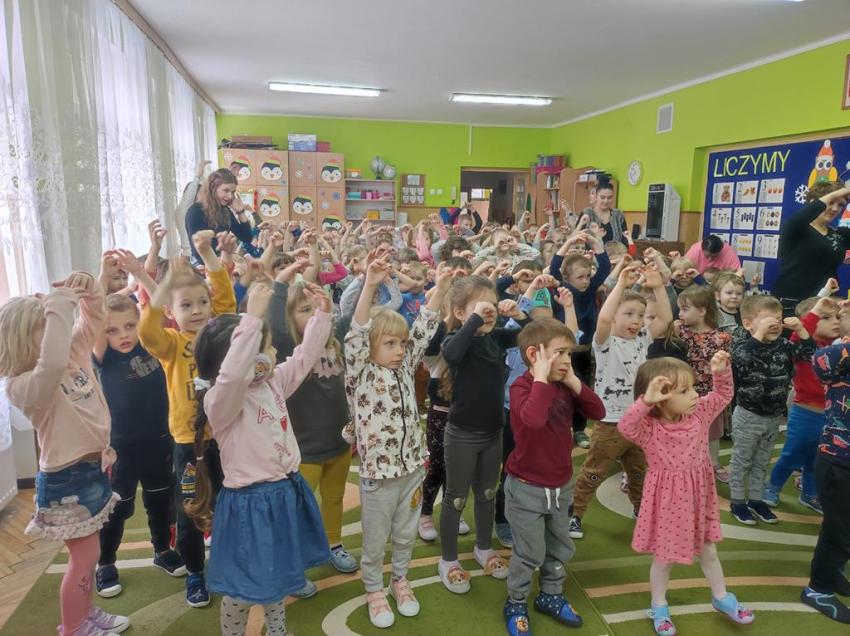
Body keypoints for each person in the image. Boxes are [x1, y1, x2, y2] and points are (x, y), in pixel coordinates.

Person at [185, 283, 331, 636]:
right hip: (250, 506)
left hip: (283, 493)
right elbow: (234, 375)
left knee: (276, 575)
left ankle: (277, 631)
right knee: (242, 590)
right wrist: (251, 320)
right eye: (264, 347)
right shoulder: (221, 400)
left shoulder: (271, 383)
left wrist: (322, 315)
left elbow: (304, 358)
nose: (274, 351)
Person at [0, 274, 131, 636]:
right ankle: (74, 626)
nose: (56, 332)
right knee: (84, 559)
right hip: (67, 480)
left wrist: (90, 291)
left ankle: (84, 612)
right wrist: (58, 306)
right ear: (20, 341)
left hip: (93, 469)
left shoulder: (72, 356)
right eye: (44, 328)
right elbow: (51, 363)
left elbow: (93, 319)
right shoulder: (24, 386)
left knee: (89, 556)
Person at [344, 258, 452, 629]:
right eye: (389, 343)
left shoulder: (405, 367)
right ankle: (374, 589)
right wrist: (370, 285)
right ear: (369, 346)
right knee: (375, 540)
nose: (400, 350)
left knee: (405, 535)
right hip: (379, 476)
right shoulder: (360, 372)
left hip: (411, 472)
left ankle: (400, 580)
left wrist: (441, 287)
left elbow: (424, 327)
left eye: (401, 344)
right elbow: (356, 332)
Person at [620, 353, 755, 635]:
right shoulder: (650, 428)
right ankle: (659, 606)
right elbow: (626, 426)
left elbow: (723, 395)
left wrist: (721, 371)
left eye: (693, 387)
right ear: (661, 399)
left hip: (698, 496)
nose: (695, 395)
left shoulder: (699, 414)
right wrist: (645, 401)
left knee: (708, 549)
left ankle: (721, 597)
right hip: (667, 502)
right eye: (684, 391)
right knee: (663, 558)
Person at [138, 230, 237, 607]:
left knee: (229, 501)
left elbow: (225, 299)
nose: (196, 311)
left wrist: (207, 253)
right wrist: (164, 287)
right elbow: (148, 330)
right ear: (171, 312)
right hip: (187, 443)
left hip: (224, 437)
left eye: (201, 303)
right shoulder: (172, 344)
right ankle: (195, 571)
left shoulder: (217, 335)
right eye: (186, 305)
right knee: (190, 507)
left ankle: (226, 561)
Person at [503, 318, 605, 635]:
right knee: (529, 551)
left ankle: (551, 593)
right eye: (559, 353)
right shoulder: (521, 388)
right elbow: (533, 420)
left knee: (560, 546)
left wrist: (573, 381)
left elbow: (598, 411)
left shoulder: (564, 385)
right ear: (534, 354)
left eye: (569, 354)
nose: (566, 360)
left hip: (561, 486)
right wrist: (541, 380)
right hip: (526, 488)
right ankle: (516, 601)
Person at [93, 262, 185, 598]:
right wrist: (103, 277)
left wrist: (144, 273)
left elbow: (158, 305)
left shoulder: (152, 345)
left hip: (159, 440)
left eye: (130, 326)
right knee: (117, 509)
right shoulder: (104, 357)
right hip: (121, 448)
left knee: (161, 502)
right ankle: (105, 562)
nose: (124, 335)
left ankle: (162, 550)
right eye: (112, 330)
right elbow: (92, 315)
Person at [267, 264, 359, 583]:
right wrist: (280, 284)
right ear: (289, 319)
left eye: (313, 308)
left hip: (338, 443)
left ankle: (334, 544)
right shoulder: (288, 352)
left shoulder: (335, 343)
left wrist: (326, 308)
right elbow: (274, 322)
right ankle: (293, 562)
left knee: (334, 499)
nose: (311, 314)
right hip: (304, 450)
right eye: (303, 310)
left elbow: (353, 311)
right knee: (297, 511)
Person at [438, 275, 528, 594]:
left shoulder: (496, 338)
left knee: (488, 493)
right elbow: (451, 355)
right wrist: (475, 319)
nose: (489, 311)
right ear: (460, 312)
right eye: (480, 306)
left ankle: (483, 547)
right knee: (456, 497)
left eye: (492, 304)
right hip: (462, 434)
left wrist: (518, 314)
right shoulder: (456, 339)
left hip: (493, 431)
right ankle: (449, 560)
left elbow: (533, 336)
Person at [569, 264, 672, 540]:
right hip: (610, 423)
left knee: (639, 473)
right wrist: (621, 285)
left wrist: (659, 287)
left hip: (640, 422)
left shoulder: (643, 339)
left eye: (640, 315)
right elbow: (603, 319)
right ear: (614, 316)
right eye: (628, 314)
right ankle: (575, 514)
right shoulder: (605, 343)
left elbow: (665, 318)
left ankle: (641, 510)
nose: (636, 320)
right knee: (594, 472)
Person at [728, 295, 815, 526]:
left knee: (762, 461)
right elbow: (740, 359)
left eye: (778, 318)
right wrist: (758, 335)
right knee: (742, 461)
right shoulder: (743, 344)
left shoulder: (784, 346)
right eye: (767, 319)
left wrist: (802, 330)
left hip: (773, 417)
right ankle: (738, 502)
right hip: (748, 416)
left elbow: (810, 355)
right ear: (748, 324)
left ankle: (756, 500)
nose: (774, 323)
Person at [764, 297, 841, 513]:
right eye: (826, 318)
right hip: (805, 412)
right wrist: (815, 313)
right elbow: (800, 333)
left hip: (831, 415)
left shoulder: (838, 346)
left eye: (838, 317)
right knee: (792, 454)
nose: (835, 321)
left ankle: (810, 494)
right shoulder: (801, 346)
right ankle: (772, 486)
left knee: (817, 459)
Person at [802, 338, 850, 624]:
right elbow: (821, 360)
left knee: (843, 528)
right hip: (838, 460)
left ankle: (832, 574)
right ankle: (818, 589)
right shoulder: (839, 355)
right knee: (839, 532)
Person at [675, 286, 732, 482]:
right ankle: (684, 463)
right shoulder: (681, 332)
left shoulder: (722, 338)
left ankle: (714, 463)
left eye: (685, 309)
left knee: (712, 433)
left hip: (710, 395)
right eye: (679, 309)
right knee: (683, 432)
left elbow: (725, 368)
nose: (680, 314)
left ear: (701, 311)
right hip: (684, 395)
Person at [772, 182, 850, 316]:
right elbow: (805, 214)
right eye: (831, 202)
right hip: (793, 304)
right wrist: (843, 191)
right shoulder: (796, 227)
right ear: (813, 202)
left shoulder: (839, 234)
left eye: (840, 205)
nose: (835, 209)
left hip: (826, 303)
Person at [185, 168, 259, 264]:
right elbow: (198, 254)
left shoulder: (225, 211)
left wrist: (240, 212)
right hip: (203, 265)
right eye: (226, 190)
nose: (230, 196)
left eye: (232, 192)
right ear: (213, 188)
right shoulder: (195, 211)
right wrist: (226, 260)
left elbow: (247, 238)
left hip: (222, 261)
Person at [581, 182, 627, 246]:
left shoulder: (618, 215)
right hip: (590, 252)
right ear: (596, 197)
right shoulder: (587, 213)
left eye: (609, 198)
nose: (606, 201)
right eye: (602, 197)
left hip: (615, 251)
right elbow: (579, 238)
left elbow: (625, 239)